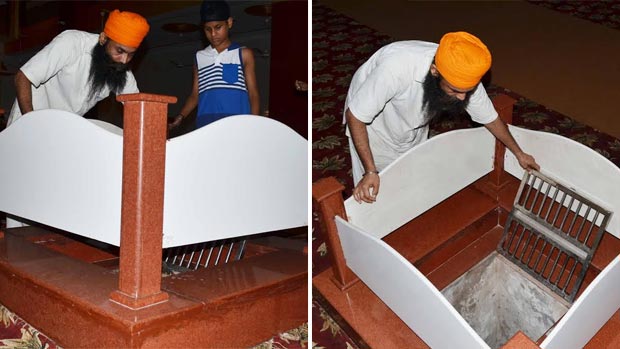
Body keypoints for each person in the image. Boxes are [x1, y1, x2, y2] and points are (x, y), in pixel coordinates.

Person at [345, 31, 540, 204]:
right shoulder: (396, 68)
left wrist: (519, 152)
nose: (463, 98)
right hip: (373, 126)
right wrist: (370, 171)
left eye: (467, 91)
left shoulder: (462, 75)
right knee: (379, 187)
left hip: (411, 121)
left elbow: (490, 119)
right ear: (434, 72)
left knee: (413, 171)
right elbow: (356, 116)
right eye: (455, 90)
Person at [6, 9, 149, 227]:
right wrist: (30, 125)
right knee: (20, 199)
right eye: (120, 51)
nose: (124, 60)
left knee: (50, 200)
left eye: (131, 54)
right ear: (103, 38)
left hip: (62, 134)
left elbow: (138, 110)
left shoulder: (121, 72)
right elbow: (23, 77)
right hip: (29, 120)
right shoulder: (71, 44)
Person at [169, 0, 260, 130]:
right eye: (208, 29)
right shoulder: (199, 57)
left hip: (237, 122)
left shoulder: (243, 53)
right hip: (206, 124)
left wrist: (255, 124)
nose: (213, 34)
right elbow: (195, 95)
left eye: (218, 27)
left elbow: (253, 93)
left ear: (229, 23)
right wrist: (180, 117)